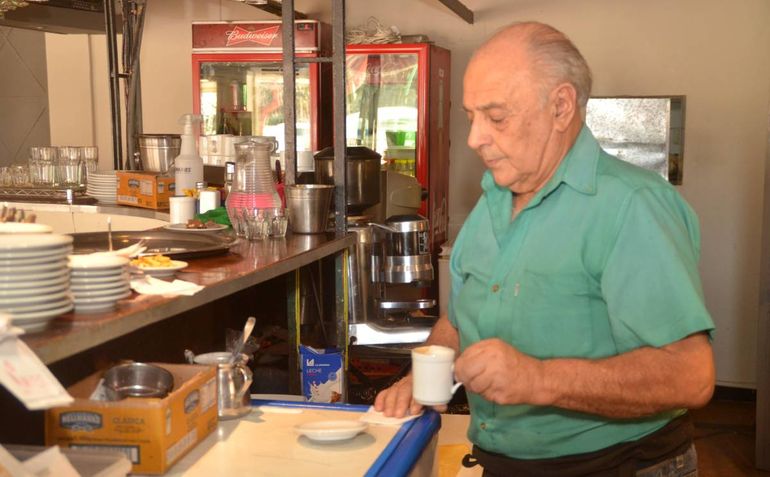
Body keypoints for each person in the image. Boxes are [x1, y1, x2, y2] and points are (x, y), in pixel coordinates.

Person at [374, 21, 715, 477]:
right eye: (471, 117)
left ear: (560, 106)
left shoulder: (632, 205)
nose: (475, 138)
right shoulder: (492, 201)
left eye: (496, 117)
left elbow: (691, 375)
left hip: (617, 466)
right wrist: (423, 374)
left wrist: (539, 379)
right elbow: (458, 322)